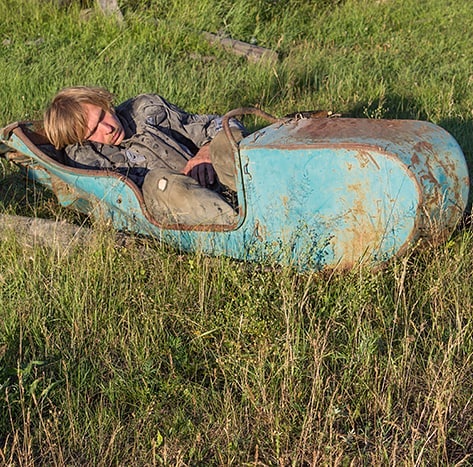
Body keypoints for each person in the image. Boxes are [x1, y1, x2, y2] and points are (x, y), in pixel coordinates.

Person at [43, 86, 246, 225]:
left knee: (227, 138)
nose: (108, 128)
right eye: (93, 131)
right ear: (81, 140)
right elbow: (126, 201)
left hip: (213, 176)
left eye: (103, 115)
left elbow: (217, 123)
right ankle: (240, 228)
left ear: (105, 103)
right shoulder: (84, 158)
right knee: (161, 181)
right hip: (169, 202)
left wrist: (205, 152)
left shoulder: (145, 109)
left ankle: (256, 197)